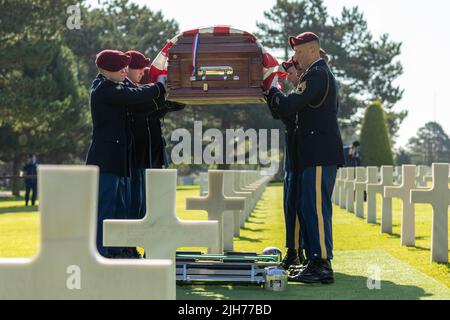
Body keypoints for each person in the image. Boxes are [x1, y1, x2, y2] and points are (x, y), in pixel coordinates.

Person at [266, 32, 345, 284]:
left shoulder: (317, 74)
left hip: (319, 152)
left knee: (317, 210)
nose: (296, 58)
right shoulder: (316, 74)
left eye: (299, 52)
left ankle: (322, 263)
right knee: (309, 207)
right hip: (313, 153)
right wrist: (275, 96)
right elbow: (291, 111)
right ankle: (314, 260)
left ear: (312, 51)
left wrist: (272, 90)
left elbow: (290, 106)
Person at [85, 49, 168, 258]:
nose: (124, 70)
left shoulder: (114, 87)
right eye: (120, 67)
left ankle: (117, 249)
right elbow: (133, 95)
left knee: (120, 209)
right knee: (106, 209)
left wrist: (165, 96)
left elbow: (139, 106)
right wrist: (159, 87)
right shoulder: (103, 88)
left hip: (119, 160)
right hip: (106, 160)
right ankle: (101, 252)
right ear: (106, 69)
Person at [124, 51, 185, 258]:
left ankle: (149, 247)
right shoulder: (131, 95)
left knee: (154, 207)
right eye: (140, 68)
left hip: (152, 157)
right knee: (136, 207)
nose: (142, 73)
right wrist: (161, 96)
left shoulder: (144, 95)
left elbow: (179, 104)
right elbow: (149, 109)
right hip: (137, 158)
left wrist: (174, 91)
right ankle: (130, 247)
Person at [278, 57, 306, 269]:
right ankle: (294, 251)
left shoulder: (304, 94)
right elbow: (281, 111)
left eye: (291, 73)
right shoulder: (297, 94)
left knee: (298, 208)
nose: (288, 78)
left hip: (300, 159)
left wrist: (272, 93)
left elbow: (287, 111)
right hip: (292, 161)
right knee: (290, 208)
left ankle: (298, 252)